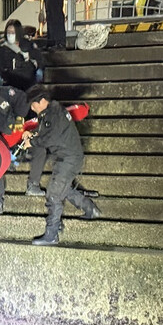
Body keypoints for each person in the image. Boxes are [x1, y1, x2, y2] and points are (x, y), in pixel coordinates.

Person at [21, 85, 101, 245]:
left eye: (33, 104)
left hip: (69, 158)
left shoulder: (54, 114)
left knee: (53, 195)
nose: (32, 108)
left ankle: (52, 234)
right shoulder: (51, 112)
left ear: (42, 101)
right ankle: (90, 209)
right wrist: (32, 134)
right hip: (66, 157)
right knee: (62, 189)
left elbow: (50, 137)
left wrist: (32, 142)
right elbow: (45, 132)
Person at [0, 19, 44, 91]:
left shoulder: (29, 45)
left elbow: (39, 59)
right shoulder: (3, 48)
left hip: (28, 79)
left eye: (12, 32)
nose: (10, 35)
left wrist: (39, 70)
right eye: (8, 32)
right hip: (10, 81)